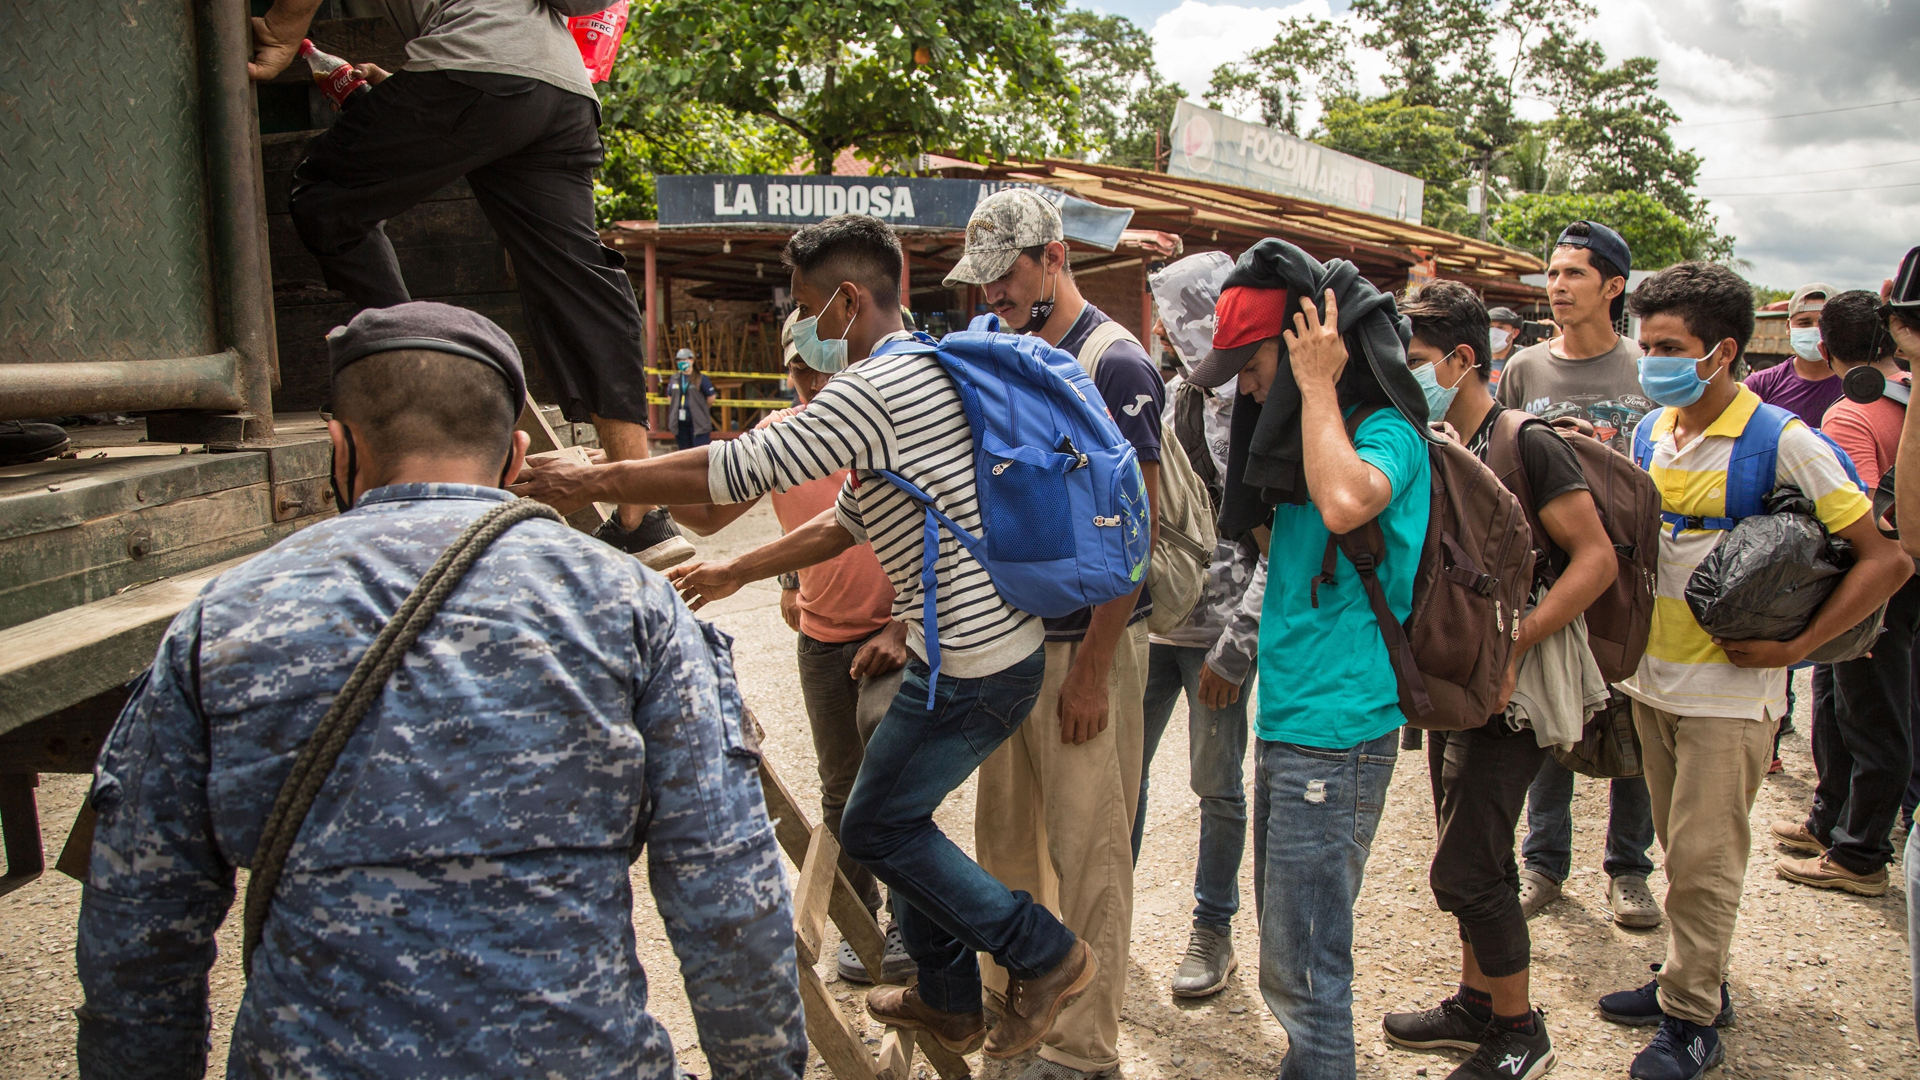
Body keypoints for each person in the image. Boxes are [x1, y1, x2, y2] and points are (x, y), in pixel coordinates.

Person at [73, 302, 806, 1079]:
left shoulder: (221, 621)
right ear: (517, 452)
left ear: (338, 444)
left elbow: (140, 935)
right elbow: (727, 898)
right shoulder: (632, 609)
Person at [516, 214, 1097, 1062]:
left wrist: (598, 473)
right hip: (979, 650)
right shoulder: (920, 370)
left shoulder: (873, 389)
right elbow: (847, 520)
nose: (804, 325)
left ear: (848, 302)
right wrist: (738, 571)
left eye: (808, 307)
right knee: (897, 819)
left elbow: (735, 467)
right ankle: (950, 1001)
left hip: (968, 665)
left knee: (876, 828)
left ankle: (1044, 953)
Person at [247, 0, 692, 569]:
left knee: (325, 197)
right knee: (582, 284)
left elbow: (476, 66)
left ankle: (423, 352)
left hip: (476, 65)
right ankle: (643, 518)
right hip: (560, 86)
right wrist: (414, 91)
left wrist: (284, 30)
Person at [1602, 263, 1911, 1080]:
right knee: (1679, 851)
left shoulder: (1785, 441)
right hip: (1652, 684)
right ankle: (1691, 976)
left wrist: (1792, 652)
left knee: (1706, 862)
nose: (1651, 359)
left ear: (1724, 351)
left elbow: (1886, 559)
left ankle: (1691, 1021)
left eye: (1670, 346)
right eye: (1647, 342)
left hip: (1729, 698)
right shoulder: (1650, 432)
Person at [1184, 276, 1431, 1080]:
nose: (1244, 386)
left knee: (1309, 969)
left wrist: (1317, 382)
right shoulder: (1299, 443)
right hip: (1292, 723)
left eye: (1252, 366)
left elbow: (1346, 504)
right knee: (1289, 960)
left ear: (1303, 351)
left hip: (1339, 731)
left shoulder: (1388, 431)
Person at [942, 188, 1163, 1080]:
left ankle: (1083, 1054)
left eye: (1006, 273)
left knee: (1090, 852)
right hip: (1013, 647)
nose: (991, 291)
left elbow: (1138, 528)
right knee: (1005, 847)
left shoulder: (1116, 365)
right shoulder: (1002, 351)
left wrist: (1094, 668)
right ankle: (1019, 1021)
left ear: (1055, 257)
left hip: (1087, 650)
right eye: (982, 277)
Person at [1382, 281, 1618, 1080]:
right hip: (1463, 680)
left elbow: (1595, 559)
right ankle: (1476, 1003)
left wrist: (1519, 640)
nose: (1406, 375)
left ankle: (1523, 1030)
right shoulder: (1444, 438)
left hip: (1515, 685)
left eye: (1417, 361)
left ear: (1463, 359)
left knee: (1467, 866)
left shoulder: (1528, 442)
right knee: (1471, 843)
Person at [665, 311, 914, 985]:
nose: (799, 379)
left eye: (812, 364)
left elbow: (941, 534)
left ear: (847, 362)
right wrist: (640, 491)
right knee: (841, 789)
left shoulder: (887, 430)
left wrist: (907, 626)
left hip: (895, 633)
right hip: (821, 638)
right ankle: (860, 918)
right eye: (793, 365)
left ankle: (909, 927)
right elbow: (715, 510)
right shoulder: (778, 437)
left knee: (894, 780)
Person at [1496, 220, 1661, 929]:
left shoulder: (1645, 367)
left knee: (1632, 715)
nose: (1558, 288)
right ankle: (1543, 863)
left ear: (1613, 287)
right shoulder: (1526, 369)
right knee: (1553, 711)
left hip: (1626, 571)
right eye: (1552, 275)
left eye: (1574, 276)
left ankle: (1629, 869)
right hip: (1550, 571)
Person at [1132, 251, 1265, 1001]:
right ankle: (1103, 911)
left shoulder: (1260, 403)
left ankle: (1212, 929)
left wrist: (1238, 646)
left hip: (1219, 638)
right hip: (1154, 626)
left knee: (1217, 786)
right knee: (1123, 773)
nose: (1176, 334)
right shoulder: (1174, 395)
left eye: (1186, 316)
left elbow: (1276, 542)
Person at [1765, 289, 1916, 897]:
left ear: (1825, 346)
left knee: (1873, 717)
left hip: (1877, 587)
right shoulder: (1904, 388)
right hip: (1902, 582)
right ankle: (1828, 822)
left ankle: (1861, 855)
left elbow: (1866, 519)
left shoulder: (1853, 413)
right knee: (1836, 700)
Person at [1743, 284, 1843, 429]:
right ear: (1789, 327)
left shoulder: (1856, 386)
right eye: (1804, 323)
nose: (1815, 330)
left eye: (1824, 323)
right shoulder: (1760, 386)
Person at [666, 347, 719, 450]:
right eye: (679, 360)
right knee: (684, 453)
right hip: (680, 423)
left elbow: (711, 397)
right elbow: (670, 396)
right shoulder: (675, 378)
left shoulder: (701, 378)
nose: (681, 362)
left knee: (699, 452)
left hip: (698, 423)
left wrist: (701, 409)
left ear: (692, 360)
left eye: (684, 360)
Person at [1486, 305, 1522, 389]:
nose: (1494, 332)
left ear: (1515, 333)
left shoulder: (1523, 358)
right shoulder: (1476, 359)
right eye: (1490, 327)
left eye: (1501, 327)